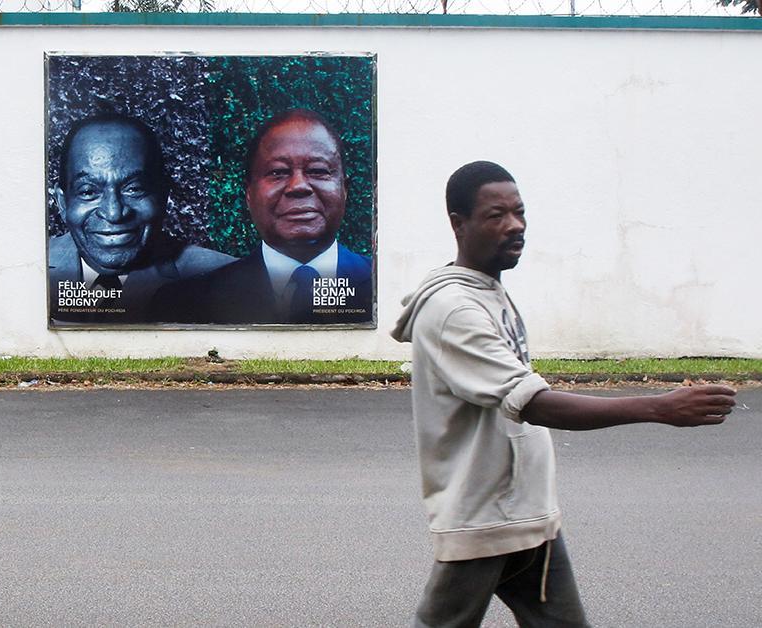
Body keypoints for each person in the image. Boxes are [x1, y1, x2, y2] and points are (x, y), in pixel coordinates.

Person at [390, 160, 736, 627]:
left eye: (520, 212)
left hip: (528, 514)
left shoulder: (488, 291)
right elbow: (535, 402)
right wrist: (658, 406)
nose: (515, 226)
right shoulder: (454, 310)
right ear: (459, 223)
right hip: (484, 520)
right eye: (496, 215)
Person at [150, 109, 372, 324]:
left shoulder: (386, 288)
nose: (298, 186)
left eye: (317, 170)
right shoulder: (184, 303)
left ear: (344, 189)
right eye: (278, 172)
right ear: (249, 194)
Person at [49, 113, 233, 323]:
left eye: (134, 189)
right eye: (89, 192)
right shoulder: (24, 269)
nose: (114, 213)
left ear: (163, 196)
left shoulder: (225, 278)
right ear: (62, 203)